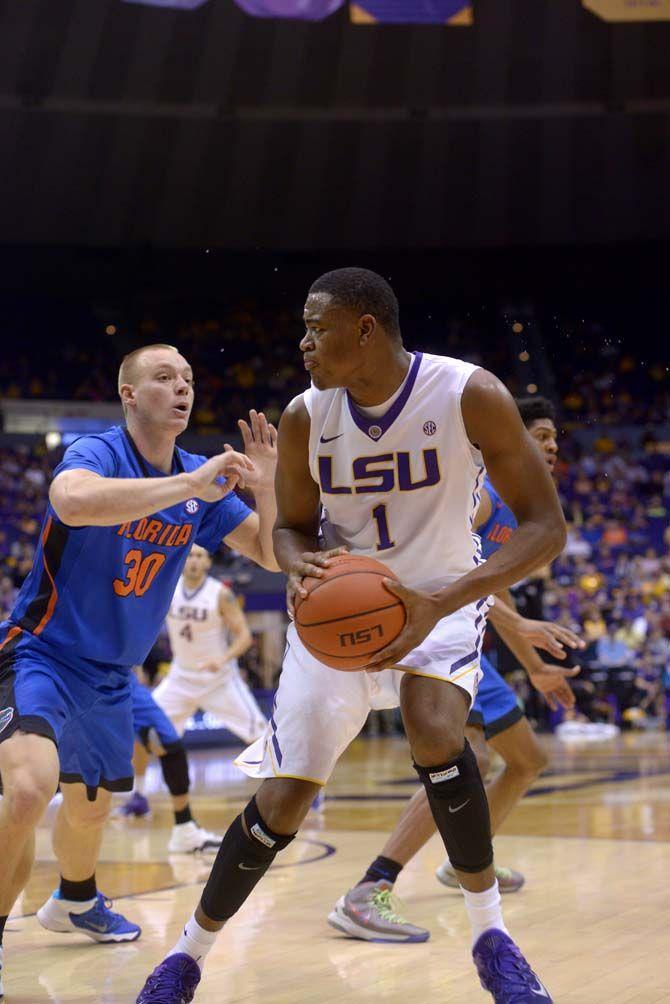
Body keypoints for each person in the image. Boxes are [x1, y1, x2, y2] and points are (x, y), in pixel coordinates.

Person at [137, 270, 567, 1004]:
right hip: (342, 613)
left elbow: (545, 527)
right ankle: (184, 960)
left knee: (437, 733)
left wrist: (445, 601)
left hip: (443, 597)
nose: (303, 343)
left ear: (366, 329)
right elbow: (291, 531)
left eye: (317, 327)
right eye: (303, 330)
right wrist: (303, 561)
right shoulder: (306, 415)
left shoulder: (470, 393)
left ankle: (493, 941)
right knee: (282, 801)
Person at [0, 343, 278, 998]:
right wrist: (189, 486)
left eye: (187, 379)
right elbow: (72, 501)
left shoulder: (201, 484)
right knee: (30, 790)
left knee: (92, 809)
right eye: (162, 378)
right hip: (44, 648)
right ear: (129, 394)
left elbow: (268, 553)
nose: (180, 388)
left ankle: (73, 899)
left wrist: (264, 487)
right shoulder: (100, 452)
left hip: (113, 674)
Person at [327, 397, 584, 943]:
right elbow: (448, 569)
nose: (553, 445)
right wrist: (521, 634)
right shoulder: (483, 497)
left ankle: (466, 861)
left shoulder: (518, 505)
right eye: (541, 435)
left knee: (525, 760)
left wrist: (535, 664)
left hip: (469, 640)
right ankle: (371, 887)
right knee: (467, 762)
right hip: (438, 637)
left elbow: (492, 585)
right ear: (511, 436)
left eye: (556, 438)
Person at [120, 668, 225, 854]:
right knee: (167, 743)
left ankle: (142, 797)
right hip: (109, 674)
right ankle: (184, 829)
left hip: (84, 674)